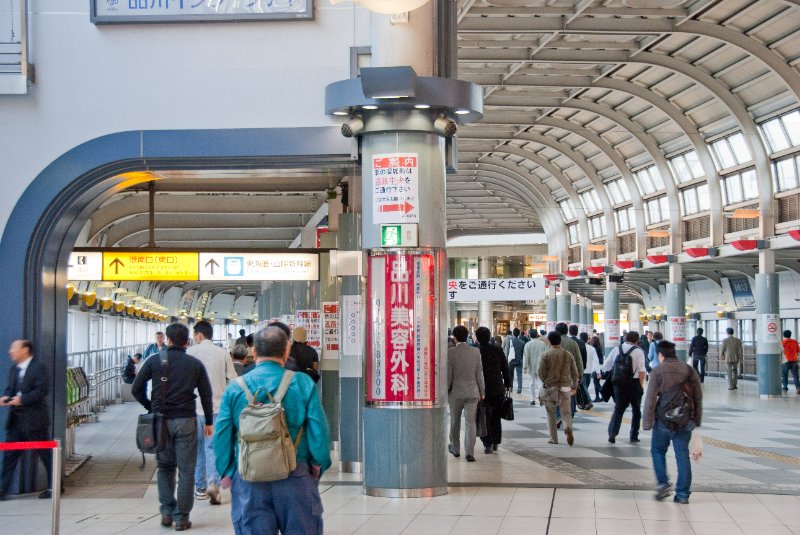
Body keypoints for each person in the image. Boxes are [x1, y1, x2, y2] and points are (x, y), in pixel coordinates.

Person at [214, 326, 331, 535]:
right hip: (295, 475)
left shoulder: (235, 388)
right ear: (287, 351)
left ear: (254, 352)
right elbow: (319, 429)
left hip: (249, 478)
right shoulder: (302, 383)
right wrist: (317, 464)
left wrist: (227, 471)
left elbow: (222, 433)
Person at [132, 323, 214, 531]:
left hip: (161, 422)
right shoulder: (194, 364)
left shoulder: (154, 361)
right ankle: (182, 518)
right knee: (187, 471)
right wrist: (210, 422)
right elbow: (206, 394)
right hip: (186, 420)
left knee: (165, 467)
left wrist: (150, 405)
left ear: (167, 340)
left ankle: (167, 512)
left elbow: (135, 388)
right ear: (187, 342)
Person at [643, 341, 703, 504]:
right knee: (682, 455)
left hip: (663, 420)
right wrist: (696, 419)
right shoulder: (688, 370)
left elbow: (650, 399)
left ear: (660, 355)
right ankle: (683, 494)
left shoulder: (658, 371)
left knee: (657, 451)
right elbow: (698, 396)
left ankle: (662, 484)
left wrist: (647, 422)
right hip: (685, 420)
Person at [188, 320, 237, 505]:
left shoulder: (190, 353)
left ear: (199, 335)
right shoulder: (222, 353)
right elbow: (233, 380)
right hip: (216, 409)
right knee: (213, 447)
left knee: (197, 447)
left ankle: (199, 488)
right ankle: (213, 483)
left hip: (193, 410)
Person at [0, 339, 54, 500]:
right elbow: (11, 389)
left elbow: (42, 390)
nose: (11, 351)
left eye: (14, 348)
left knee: (45, 454)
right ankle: (3, 489)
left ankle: (54, 487)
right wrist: (7, 397)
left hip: (35, 421)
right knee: (9, 456)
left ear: (25, 350)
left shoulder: (38, 368)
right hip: (16, 420)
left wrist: (22, 399)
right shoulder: (14, 370)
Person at [447, 325, 485, 462]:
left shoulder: (450, 353)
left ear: (454, 337)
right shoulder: (475, 352)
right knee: (470, 422)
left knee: (455, 421)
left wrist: (446, 391)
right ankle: (470, 452)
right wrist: (482, 391)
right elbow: (479, 373)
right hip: (472, 392)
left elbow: (449, 376)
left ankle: (455, 448)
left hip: (456, 393)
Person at [602, 331, 646, 444]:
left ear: (625, 338)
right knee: (636, 410)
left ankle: (612, 433)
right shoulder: (638, 351)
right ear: (637, 340)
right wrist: (641, 386)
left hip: (618, 384)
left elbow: (606, 366)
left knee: (618, 409)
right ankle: (634, 435)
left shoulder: (617, 349)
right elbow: (642, 371)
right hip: (634, 383)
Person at [538, 332, 580, 446]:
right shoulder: (568, 354)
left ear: (550, 341)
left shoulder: (546, 354)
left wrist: (545, 381)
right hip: (566, 386)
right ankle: (568, 427)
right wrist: (574, 386)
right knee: (566, 412)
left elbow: (541, 372)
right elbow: (574, 373)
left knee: (550, 413)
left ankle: (553, 438)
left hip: (551, 387)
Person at [476, 326, 512, 454]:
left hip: (481, 388)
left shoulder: (476, 351)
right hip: (497, 387)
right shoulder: (498, 350)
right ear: (490, 336)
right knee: (495, 416)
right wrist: (508, 383)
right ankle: (496, 441)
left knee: (483, 415)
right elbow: (505, 368)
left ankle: (487, 443)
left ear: (477, 338)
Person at [554, 323, 583, 420]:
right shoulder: (573, 343)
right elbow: (579, 361)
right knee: (571, 395)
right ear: (567, 331)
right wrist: (580, 376)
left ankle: (558, 416)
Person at [568, 324, 593, 410]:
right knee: (577, 387)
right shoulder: (582, 343)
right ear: (577, 332)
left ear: (569, 331)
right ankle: (577, 404)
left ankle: (572, 406)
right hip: (579, 369)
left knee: (569, 388)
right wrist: (582, 369)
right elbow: (584, 358)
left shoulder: (568, 342)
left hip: (568, 370)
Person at [522, 329, 548, 406]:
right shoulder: (542, 344)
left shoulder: (528, 344)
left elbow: (526, 357)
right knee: (541, 384)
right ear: (537, 335)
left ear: (529, 335)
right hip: (541, 366)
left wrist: (525, 367)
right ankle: (541, 399)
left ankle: (532, 399)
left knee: (531, 384)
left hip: (531, 366)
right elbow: (546, 355)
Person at [503, 328, 526, 394]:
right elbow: (523, 353)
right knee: (519, 374)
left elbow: (507, 351)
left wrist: (506, 359)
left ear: (513, 333)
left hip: (511, 360)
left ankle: (511, 387)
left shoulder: (510, 341)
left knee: (510, 374)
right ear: (519, 334)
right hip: (519, 360)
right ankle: (519, 388)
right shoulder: (522, 342)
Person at [580, 332, 601, 402]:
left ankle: (587, 401)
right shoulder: (591, 348)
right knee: (585, 387)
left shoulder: (578, 347)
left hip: (580, 371)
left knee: (584, 387)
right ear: (587, 339)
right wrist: (598, 372)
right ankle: (587, 401)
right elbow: (596, 361)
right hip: (589, 371)